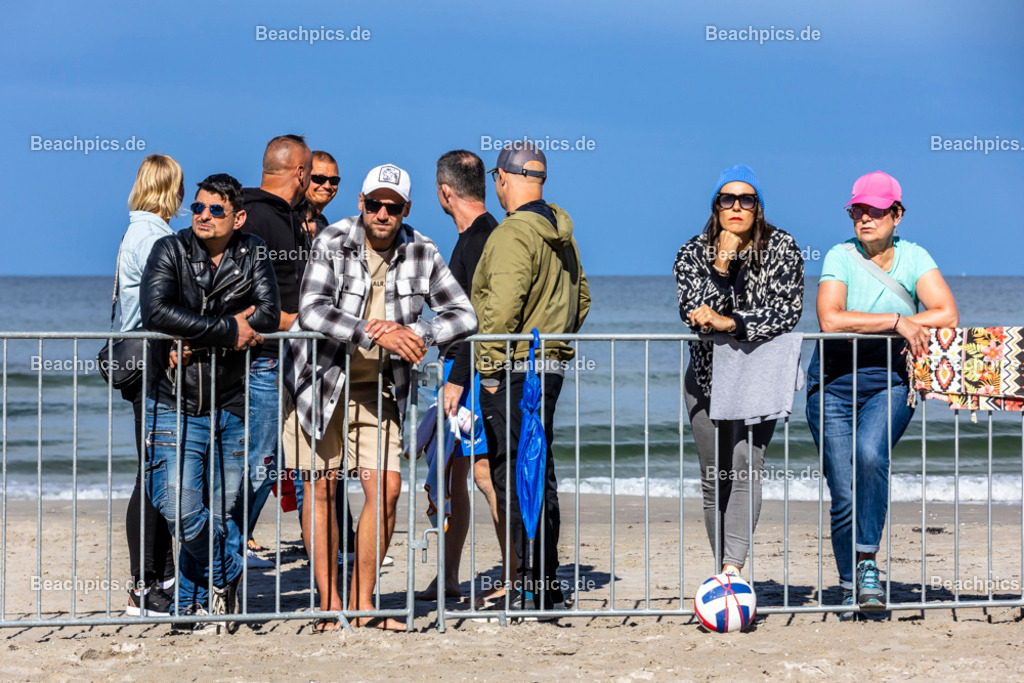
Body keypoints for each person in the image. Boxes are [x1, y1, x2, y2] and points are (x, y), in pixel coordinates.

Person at [283, 163, 477, 631]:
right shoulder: (332, 239)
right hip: (317, 382)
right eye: (375, 204)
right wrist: (373, 334)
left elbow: (464, 314)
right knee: (322, 490)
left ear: (406, 209)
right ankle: (331, 606)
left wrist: (418, 333)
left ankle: (362, 603)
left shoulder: (422, 248)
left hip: (381, 391)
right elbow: (310, 310)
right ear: (361, 203)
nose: (383, 213)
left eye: (393, 206)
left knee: (387, 490)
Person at [806, 170, 958, 619]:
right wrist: (898, 321)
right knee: (843, 491)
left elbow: (946, 312)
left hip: (891, 380)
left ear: (897, 214)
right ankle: (854, 583)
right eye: (858, 210)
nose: (865, 217)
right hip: (832, 383)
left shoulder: (915, 257)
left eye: (875, 210)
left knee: (871, 456)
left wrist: (906, 322)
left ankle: (867, 561)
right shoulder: (839, 255)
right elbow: (830, 320)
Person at [141, 173, 280, 630]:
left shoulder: (253, 250)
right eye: (198, 207)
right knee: (179, 506)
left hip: (233, 400)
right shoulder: (171, 250)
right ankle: (229, 569)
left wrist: (196, 340)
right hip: (174, 399)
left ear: (237, 217)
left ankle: (189, 606)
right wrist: (226, 329)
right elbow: (156, 311)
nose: (203, 216)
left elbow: (266, 314)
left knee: (221, 508)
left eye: (215, 210)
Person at [473, 142, 590, 610]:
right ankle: (545, 582)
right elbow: (581, 301)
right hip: (550, 362)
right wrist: (558, 340)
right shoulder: (563, 233)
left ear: (502, 177)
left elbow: (501, 309)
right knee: (539, 473)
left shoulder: (512, 234)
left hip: (517, 366)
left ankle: (530, 583)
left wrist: (487, 371)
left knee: (514, 474)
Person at [673, 164, 804, 577]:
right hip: (707, 377)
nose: (736, 207)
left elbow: (787, 312)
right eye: (726, 199)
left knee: (746, 468)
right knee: (716, 478)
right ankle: (721, 573)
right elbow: (695, 315)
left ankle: (732, 568)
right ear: (715, 207)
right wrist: (722, 265)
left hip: (759, 375)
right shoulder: (691, 252)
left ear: (758, 208)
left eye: (746, 199)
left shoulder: (783, 248)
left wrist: (733, 324)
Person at [416, 150, 499, 602]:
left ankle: (517, 575)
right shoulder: (473, 236)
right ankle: (448, 575)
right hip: (459, 370)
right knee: (457, 476)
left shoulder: (482, 239)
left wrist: (458, 378)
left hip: (468, 374)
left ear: (444, 192)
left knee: (484, 474)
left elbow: (478, 320)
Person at [231, 134, 311, 568]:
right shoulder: (257, 217)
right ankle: (226, 545)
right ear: (299, 172)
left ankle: (232, 542)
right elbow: (247, 302)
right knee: (262, 457)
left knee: (281, 458)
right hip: (263, 359)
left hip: (283, 357)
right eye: (311, 173)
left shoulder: (284, 216)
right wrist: (303, 324)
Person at [118, 154, 183, 616]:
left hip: (138, 361)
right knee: (154, 473)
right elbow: (161, 304)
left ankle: (156, 579)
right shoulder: (155, 236)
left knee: (154, 469)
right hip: (151, 364)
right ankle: (146, 585)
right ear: (170, 190)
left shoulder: (133, 231)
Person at [305, 150, 340, 234]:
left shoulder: (322, 223)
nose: (327, 186)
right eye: (319, 179)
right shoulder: (288, 218)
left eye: (333, 180)